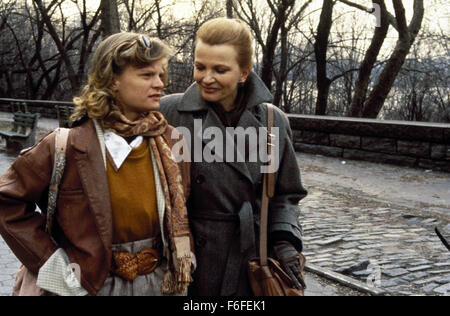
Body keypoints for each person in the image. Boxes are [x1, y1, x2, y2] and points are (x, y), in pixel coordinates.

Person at [0, 32, 194, 296]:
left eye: (161, 75)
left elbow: (189, 210)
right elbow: (7, 200)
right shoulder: (66, 146)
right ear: (112, 81)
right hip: (88, 286)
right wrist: (52, 264)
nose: (160, 84)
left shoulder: (172, 142)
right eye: (147, 75)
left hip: (157, 285)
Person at [160, 18, 308, 296]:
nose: (206, 78)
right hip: (187, 259)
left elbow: (287, 195)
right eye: (199, 66)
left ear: (244, 72)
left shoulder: (273, 121)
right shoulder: (170, 111)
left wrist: (285, 241)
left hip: (248, 259)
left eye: (220, 69)